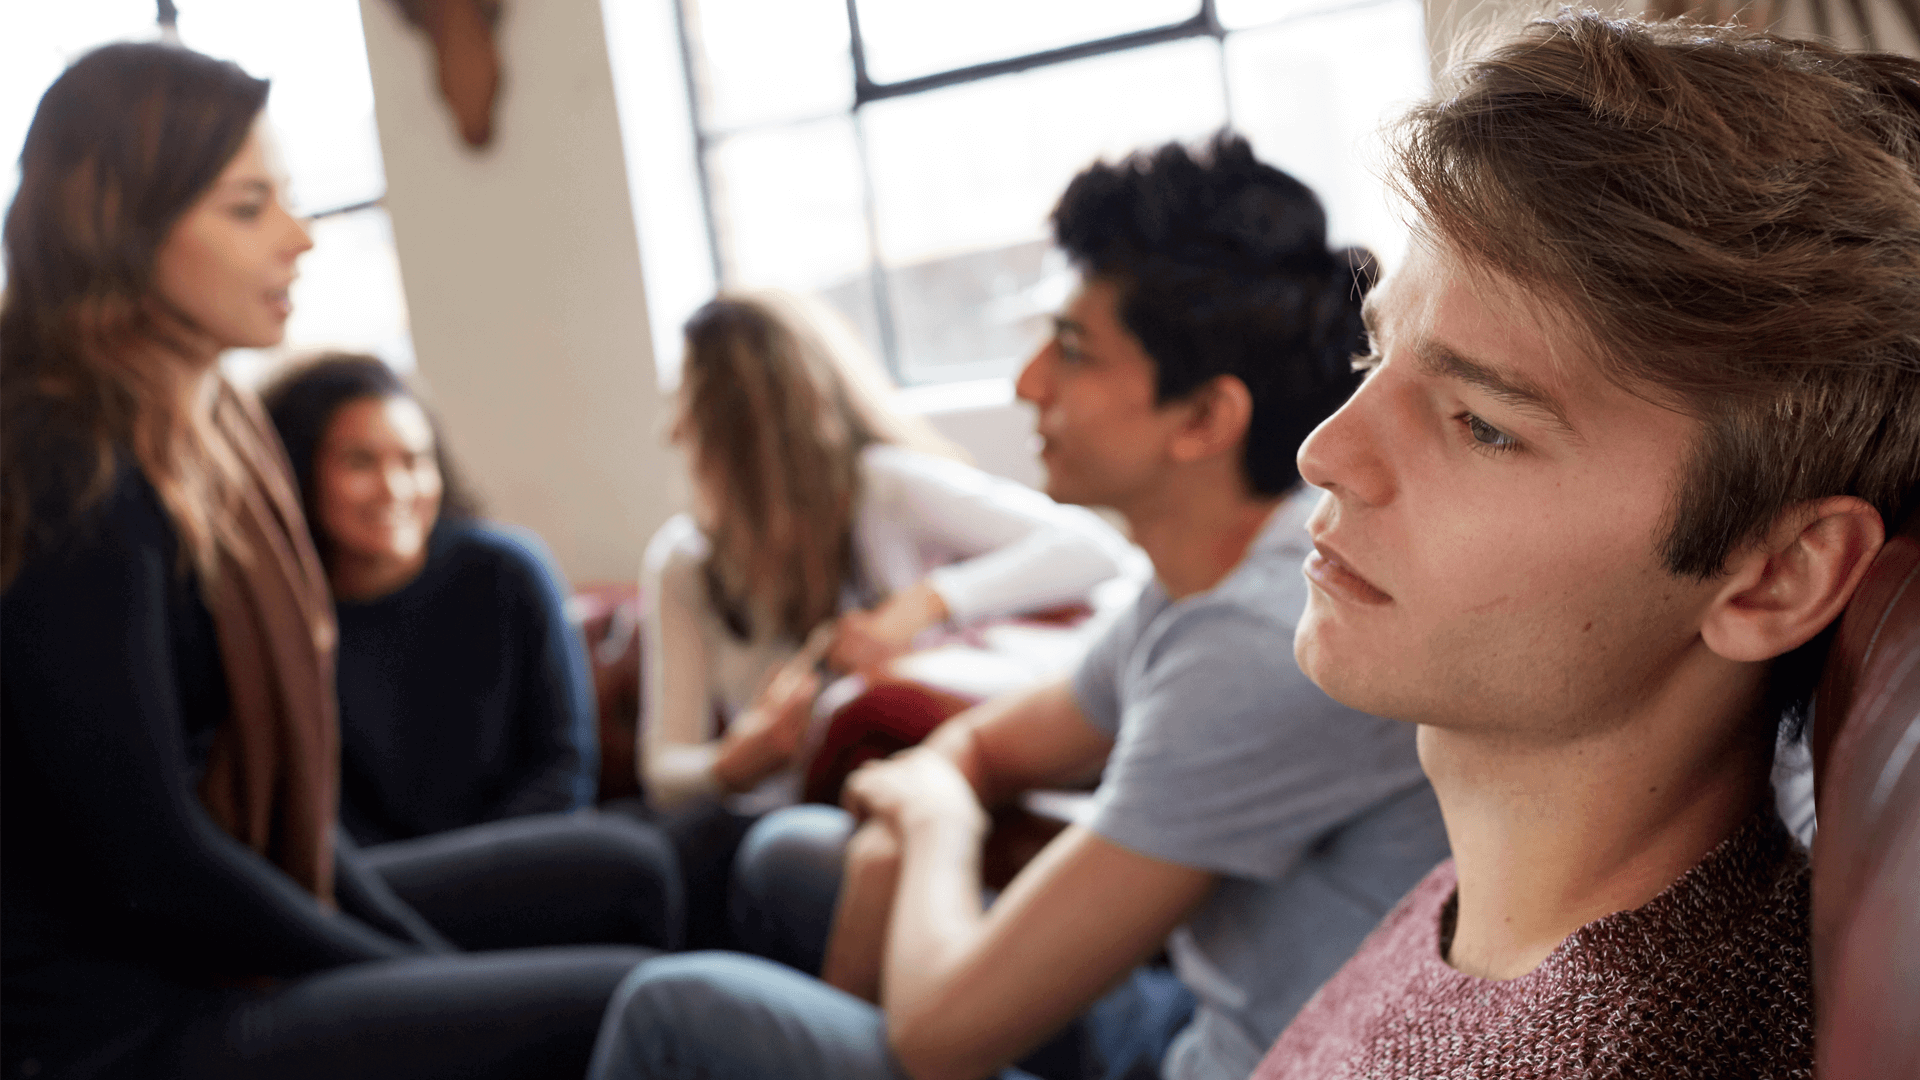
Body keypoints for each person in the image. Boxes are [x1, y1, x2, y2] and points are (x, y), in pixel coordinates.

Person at [591, 133, 1450, 1080]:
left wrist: (933, 823)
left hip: (1224, 1060)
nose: (1025, 382)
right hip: (1183, 1015)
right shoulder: (1191, 581)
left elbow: (936, 1043)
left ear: (1205, 418)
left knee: (671, 1011)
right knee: (793, 852)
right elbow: (989, 745)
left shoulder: (1258, 637)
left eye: (1072, 351)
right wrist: (916, 819)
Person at [1249, 14, 1920, 1077]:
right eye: (1373, 356)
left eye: (1481, 423)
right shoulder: (1506, 919)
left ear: (1774, 577)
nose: (1325, 453)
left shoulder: (1632, 1043)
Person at [1, 42, 674, 1080]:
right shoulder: (63, 461)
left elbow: (284, 830)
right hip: (127, 1021)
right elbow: (154, 861)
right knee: (642, 1010)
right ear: (124, 229)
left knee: (626, 874)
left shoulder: (202, 434)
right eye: (247, 207)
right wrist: (405, 971)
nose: (301, 238)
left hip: (197, 942)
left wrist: (420, 967)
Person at [640, 292, 1139, 948]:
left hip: (885, 805)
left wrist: (927, 604)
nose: (673, 434)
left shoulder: (885, 490)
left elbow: (1097, 550)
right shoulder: (684, 564)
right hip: (777, 815)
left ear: (739, 427)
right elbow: (663, 772)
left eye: (691, 409)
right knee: (698, 844)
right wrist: (735, 765)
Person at [261, 353, 597, 846]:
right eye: (360, 462)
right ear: (297, 474)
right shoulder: (281, 620)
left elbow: (565, 766)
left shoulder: (510, 570)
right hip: (386, 886)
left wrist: (481, 875)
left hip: (525, 858)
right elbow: (320, 824)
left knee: (638, 860)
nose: (395, 488)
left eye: (415, 461)